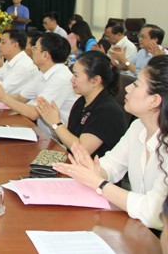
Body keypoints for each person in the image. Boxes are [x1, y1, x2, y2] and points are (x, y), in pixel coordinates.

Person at [53, 55, 168, 230]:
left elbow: (155, 212)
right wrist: (92, 169)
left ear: (155, 100)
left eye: (136, 85)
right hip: (138, 227)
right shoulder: (138, 127)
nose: (128, 88)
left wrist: (98, 183)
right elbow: (112, 166)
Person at [0, 33, 78, 132]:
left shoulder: (60, 79)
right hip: (43, 131)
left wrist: (3, 97)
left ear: (45, 55)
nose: (31, 50)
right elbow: (20, 98)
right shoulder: (43, 73)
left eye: (35, 48)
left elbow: (34, 113)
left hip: (57, 138)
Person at [36, 51, 127, 158]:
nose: (71, 79)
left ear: (95, 81)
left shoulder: (107, 111)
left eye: (76, 75)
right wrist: (52, 122)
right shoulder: (82, 101)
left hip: (93, 167)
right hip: (74, 162)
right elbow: (63, 137)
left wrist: (56, 123)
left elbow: (81, 150)